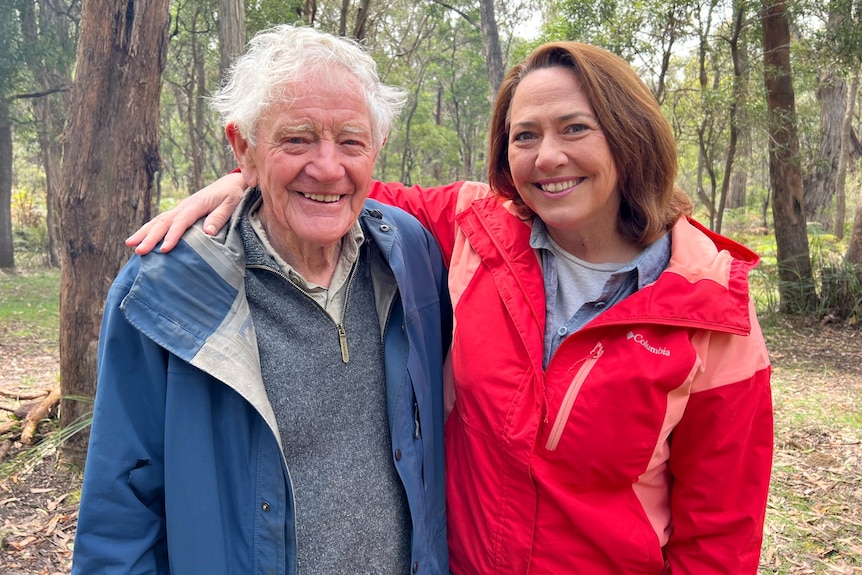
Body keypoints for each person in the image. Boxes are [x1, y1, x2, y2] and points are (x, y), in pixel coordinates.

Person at [130, 40, 774, 574]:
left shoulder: (712, 316)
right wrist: (248, 175)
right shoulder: (478, 230)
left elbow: (720, 540)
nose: (547, 156)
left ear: (629, 136)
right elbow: (341, 184)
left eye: (576, 128)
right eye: (525, 136)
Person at [73, 25, 451, 575]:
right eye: (296, 139)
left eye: (351, 141)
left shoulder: (411, 254)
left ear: (378, 148)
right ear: (242, 147)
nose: (327, 167)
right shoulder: (163, 291)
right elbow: (121, 515)